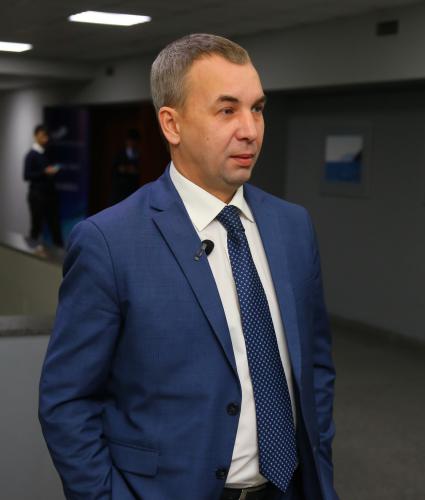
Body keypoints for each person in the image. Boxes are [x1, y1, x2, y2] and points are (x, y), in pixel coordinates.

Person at [39, 34, 338, 500]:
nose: (250, 130)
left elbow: (315, 368)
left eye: (257, 109)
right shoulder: (109, 242)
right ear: (171, 124)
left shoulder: (293, 226)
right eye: (227, 110)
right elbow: (67, 400)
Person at [23, 124, 63, 247]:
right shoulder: (31, 155)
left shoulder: (46, 153)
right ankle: (30, 252)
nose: (45, 139)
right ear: (36, 136)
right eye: (42, 136)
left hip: (49, 195)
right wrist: (44, 172)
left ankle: (62, 255)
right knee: (36, 227)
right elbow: (26, 175)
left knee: (55, 226)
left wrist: (52, 171)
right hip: (37, 196)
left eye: (46, 136)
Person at [111, 128, 141, 204]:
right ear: (127, 141)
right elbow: (116, 169)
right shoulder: (119, 154)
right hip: (120, 191)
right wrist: (128, 169)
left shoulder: (139, 154)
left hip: (133, 191)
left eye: (134, 141)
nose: (132, 143)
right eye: (130, 141)